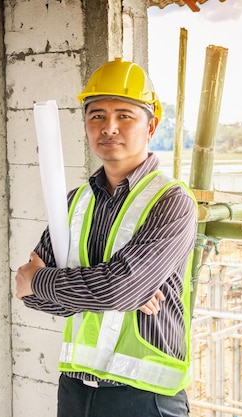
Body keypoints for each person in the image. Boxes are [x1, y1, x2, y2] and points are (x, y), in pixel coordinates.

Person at [15, 57, 197, 417]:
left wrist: (48, 281)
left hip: (146, 396)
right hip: (74, 391)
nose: (109, 127)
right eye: (96, 115)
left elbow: (117, 289)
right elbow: (27, 293)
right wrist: (116, 290)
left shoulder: (171, 200)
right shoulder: (74, 202)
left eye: (124, 115)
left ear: (151, 126)